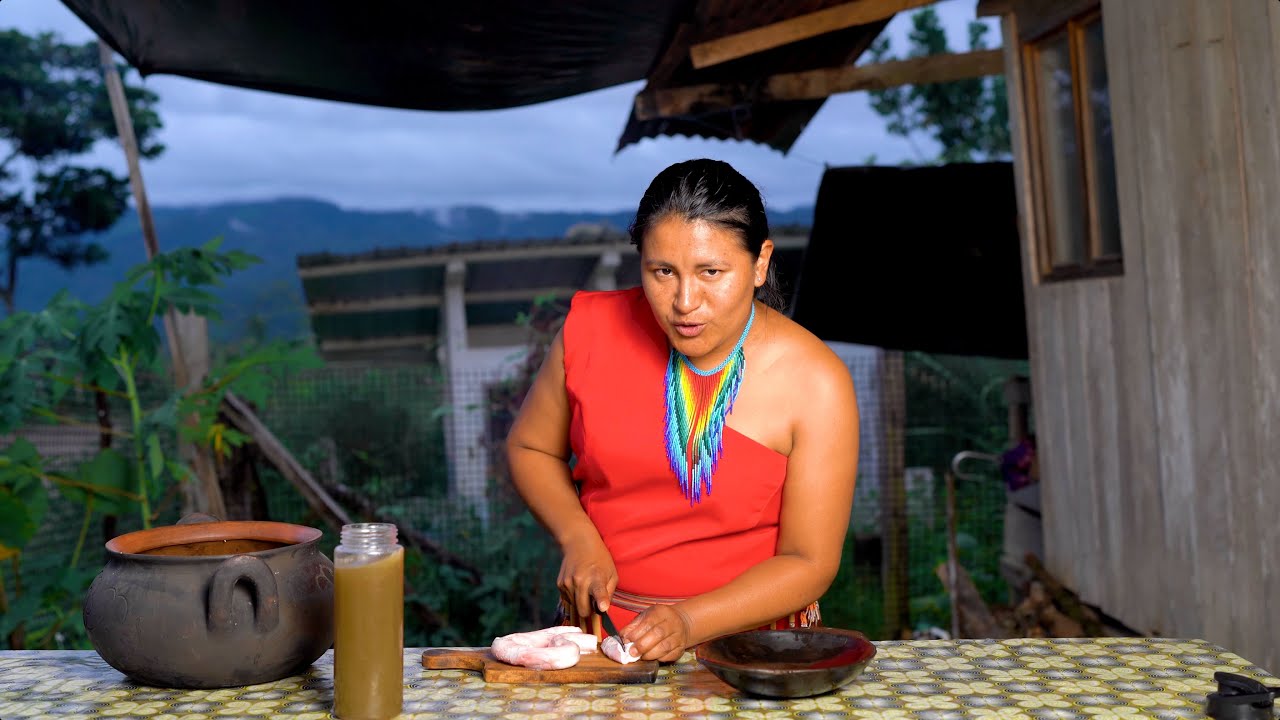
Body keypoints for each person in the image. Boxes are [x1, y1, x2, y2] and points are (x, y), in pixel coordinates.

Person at [505, 158, 860, 663]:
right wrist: (578, 536)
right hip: (603, 645)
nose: (685, 301)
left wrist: (690, 621)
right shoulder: (591, 332)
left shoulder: (817, 381)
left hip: (755, 653)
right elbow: (529, 447)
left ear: (760, 263)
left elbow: (809, 561)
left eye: (711, 272)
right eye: (662, 272)